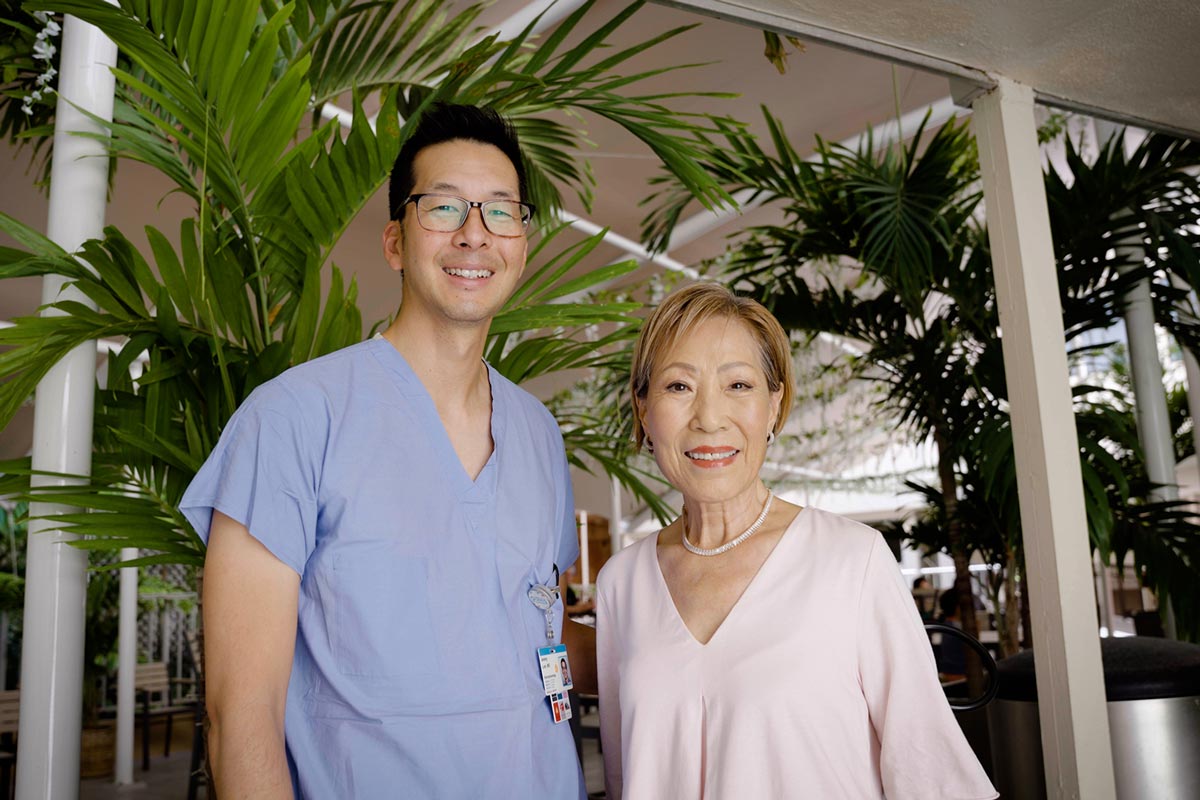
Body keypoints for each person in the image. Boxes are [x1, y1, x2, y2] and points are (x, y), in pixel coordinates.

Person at [181, 104, 584, 799]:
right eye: (445, 208)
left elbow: (535, 634)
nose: (474, 234)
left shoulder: (538, 433)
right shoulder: (291, 421)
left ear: (523, 241)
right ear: (396, 240)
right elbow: (239, 719)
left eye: (500, 211)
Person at [595, 283, 996, 799]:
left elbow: (930, 774)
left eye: (738, 384)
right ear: (644, 410)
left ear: (773, 405)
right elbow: (625, 775)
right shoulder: (621, 584)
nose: (709, 417)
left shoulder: (852, 560)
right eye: (678, 387)